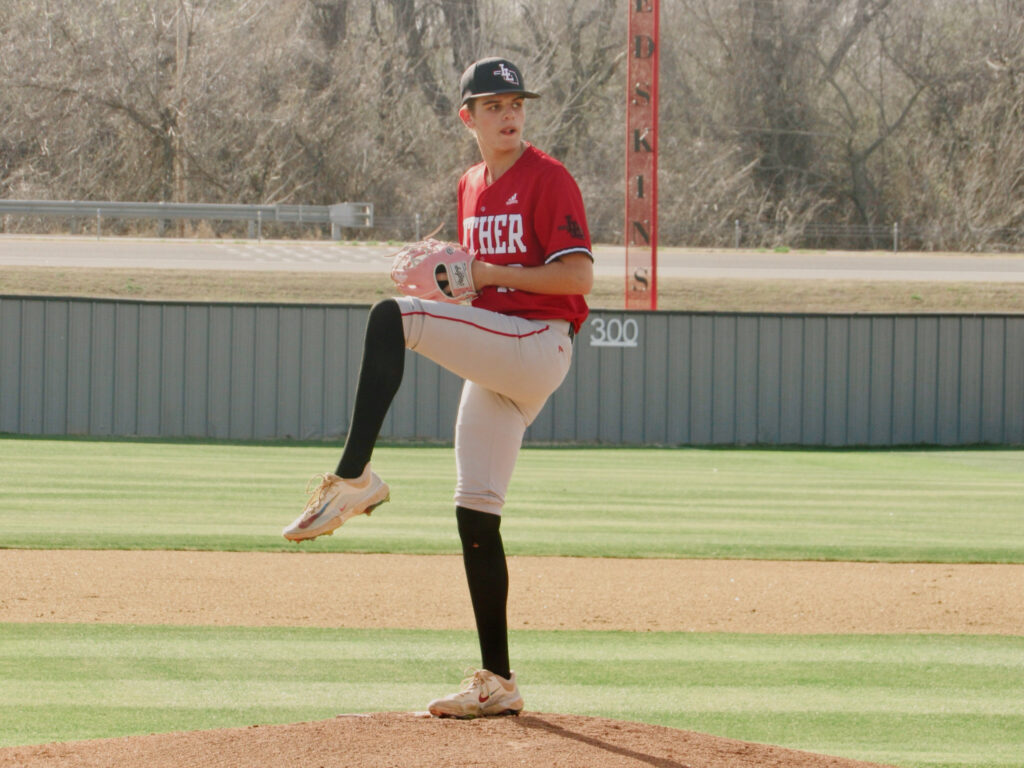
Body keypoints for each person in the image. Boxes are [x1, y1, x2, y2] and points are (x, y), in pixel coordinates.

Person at [283, 56, 593, 718]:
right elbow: (476, 287)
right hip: (499, 353)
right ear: (467, 118)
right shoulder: (471, 186)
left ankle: (354, 478)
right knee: (475, 513)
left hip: (537, 343)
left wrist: (480, 274)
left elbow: (576, 278)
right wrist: (451, 282)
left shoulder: (549, 178)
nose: (509, 114)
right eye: (494, 105)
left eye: (516, 103)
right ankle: (498, 681)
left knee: (392, 318)